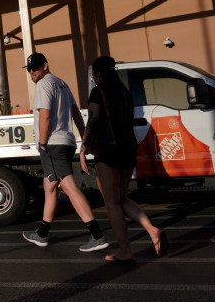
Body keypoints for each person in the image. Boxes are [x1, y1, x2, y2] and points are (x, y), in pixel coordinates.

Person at [81, 55, 166, 264]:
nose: (94, 78)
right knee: (120, 197)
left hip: (109, 151)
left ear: (99, 74)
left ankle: (125, 250)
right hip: (128, 149)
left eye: (94, 74)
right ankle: (151, 229)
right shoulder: (124, 93)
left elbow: (93, 120)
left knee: (111, 203)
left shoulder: (98, 92)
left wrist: (83, 148)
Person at [21, 52, 108, 252]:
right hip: (66, 142)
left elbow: (45, 114)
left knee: (68, 186)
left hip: (52, 143)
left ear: (45, 65)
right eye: (29, 69)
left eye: (35, 68)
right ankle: (42, 233)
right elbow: (76, 112)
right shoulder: (62, 84)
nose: (32, 72)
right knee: (49, 186)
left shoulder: (44, 84)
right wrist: (84, 138)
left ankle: (97, 235)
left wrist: (42, 142)